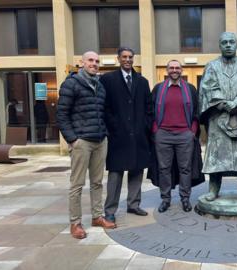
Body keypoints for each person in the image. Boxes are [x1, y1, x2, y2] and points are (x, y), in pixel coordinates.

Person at [57, 51, 115, 239]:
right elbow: (62, 115)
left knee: (97, 182)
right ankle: (75, 223)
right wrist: (73, 139)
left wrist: (105, 133)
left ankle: (97, 217)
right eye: (90, 60)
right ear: (81, 63)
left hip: (100, 140)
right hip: (82, 141)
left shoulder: (99, 85)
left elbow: (102, 112)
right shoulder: (71, 84)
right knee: (77, 184)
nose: (94, 63)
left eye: (97, 61)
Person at [199, 32, 237, 201]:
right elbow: (207, 88)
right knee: (216, 156)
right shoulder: (211, 66)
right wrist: (224, 104)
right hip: (218, 117)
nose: (228, 45)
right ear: (220, 45)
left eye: (232, 42)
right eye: (224, 42)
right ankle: (213, 189)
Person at [100, 47, 153, 224]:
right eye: (124, 57)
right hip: (118, 136)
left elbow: (148, 108)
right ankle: (110, 210)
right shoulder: (108, 80)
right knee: (115, 174)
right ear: (118, 59)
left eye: (130, 57)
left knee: (137, 171)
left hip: (139, 135)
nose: (128, 60)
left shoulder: (142, 81)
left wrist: (145, 126)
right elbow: (104, 107)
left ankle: (134, 204)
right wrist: (113, 126)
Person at [149, 60, 204, 213]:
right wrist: (155, 130)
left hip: (184, 135)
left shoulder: (190, 89)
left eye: (177, 68)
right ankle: (165, 199)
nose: (174, 70)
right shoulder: (158, 89)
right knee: (164, 168)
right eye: (171, 68)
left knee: (185, 168)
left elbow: (196, 111)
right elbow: (150, 110)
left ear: (182, 70)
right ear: (167, 70)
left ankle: (185, 198)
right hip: (163, 135)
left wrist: (192, 130)